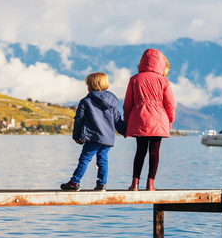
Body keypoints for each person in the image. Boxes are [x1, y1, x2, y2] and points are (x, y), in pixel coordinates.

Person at [61, 72, 126, 192]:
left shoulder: (86, 101)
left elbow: (79, 120)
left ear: (90, 86)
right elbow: (117, 120)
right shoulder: (111, 102)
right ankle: (101, 185)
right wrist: (126, 132)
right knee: (102, 160)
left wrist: (76, 136)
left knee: (84, 159)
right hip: (107, 138)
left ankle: (74, 183)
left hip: (93, 137)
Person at [123, 49, 176, 191]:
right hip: (159, 121)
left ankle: (134, 184)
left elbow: (127, 104)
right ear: (161, 64)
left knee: (140, 151)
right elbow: (171, 105)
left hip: (139, 119)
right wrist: (169, 123)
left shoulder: (134, 79)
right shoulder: (163, 81)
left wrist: (126, 122)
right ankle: (150, 184)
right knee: (154, 152)